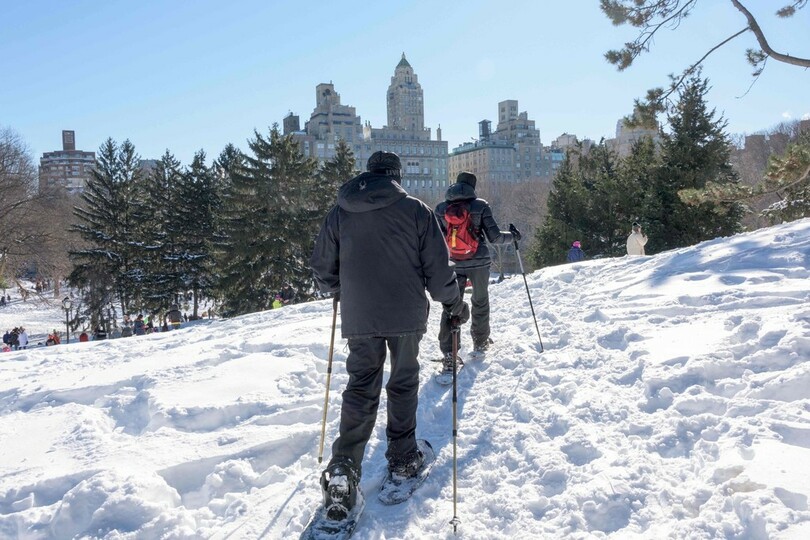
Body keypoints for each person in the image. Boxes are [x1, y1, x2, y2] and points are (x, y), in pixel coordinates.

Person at [310, 151, 468, 523]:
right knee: (402, 382)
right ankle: (401, 460)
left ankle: (344, 469)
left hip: (359, 314)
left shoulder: (340, 212)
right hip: (405, 313)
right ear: (396, 176)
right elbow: (437, 266)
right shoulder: (415, 209)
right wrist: (453, 303)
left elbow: (322, 267)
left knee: (361, 386)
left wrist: (338, 287)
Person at [434, 171, 518, 364]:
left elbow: (437, 241)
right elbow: (495, 237)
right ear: (473, 186)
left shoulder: (440, 209)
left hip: (453, 263)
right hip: (479, 262)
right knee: (480, 302)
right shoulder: (480, 206)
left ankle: (449, 351)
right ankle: (480, 343)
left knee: (451, 305)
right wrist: (513, 236)